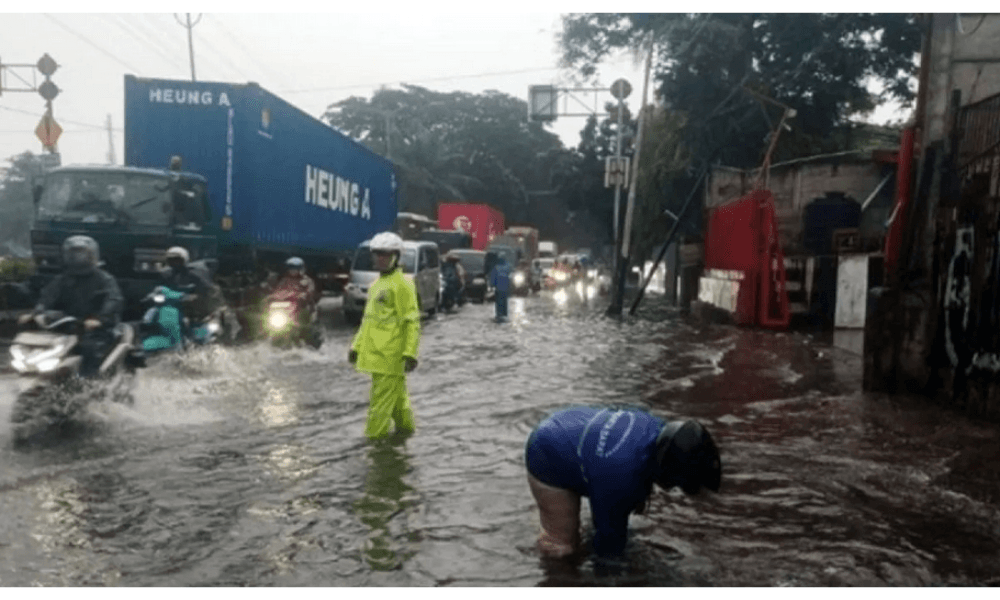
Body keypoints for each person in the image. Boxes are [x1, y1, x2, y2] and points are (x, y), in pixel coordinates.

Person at [524, 406, 721, 558]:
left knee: (600, 522)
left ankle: (550, 520)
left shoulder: (658, 429)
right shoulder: (620, 477)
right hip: (547, 452)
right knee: (562, 547)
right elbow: (608, 546)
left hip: (569, 425)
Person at [19, 236, 124, 377]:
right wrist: (35, 314)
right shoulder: (61, 280)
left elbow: (114, 300)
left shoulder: (104, 279)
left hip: (97, 328)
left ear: (92, 255)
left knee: (88, 348)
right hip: (68, 325)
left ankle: (90, 384)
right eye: (73, 253)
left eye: (82, 253)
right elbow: (47, 298)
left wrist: (99, 319)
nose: (77, 257)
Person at [349, 232, 420, 440]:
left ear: (396, 257)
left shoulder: (403, 285)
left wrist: (410, 353)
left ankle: (374, 445)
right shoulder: (376, 285)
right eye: (377, 255)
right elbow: (368, 321)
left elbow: (411, 321)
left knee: (378, 407)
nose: (380, 259)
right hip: (376, 355)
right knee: (399, 402)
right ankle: (406, 435)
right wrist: (356, 346)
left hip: (390, 356)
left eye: (385, 255)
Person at [161, 246, 224, 323]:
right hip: (174, 305)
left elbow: (208, 288)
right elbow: (160, 288)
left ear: (184, 259)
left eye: (177, 259)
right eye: (171, 260)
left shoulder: (196, 272)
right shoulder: (166, 273)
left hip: (195, 306)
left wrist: (197, 296)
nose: (174, 262)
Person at [489, 254, 511, 322]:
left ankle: (499, 315)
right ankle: (504, 314)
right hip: (505, 288)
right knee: (504, 301)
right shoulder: (508, 267)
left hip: (499, 288)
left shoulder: (496, 267)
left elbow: (493, 277)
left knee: (499, 302)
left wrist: (491, 285)